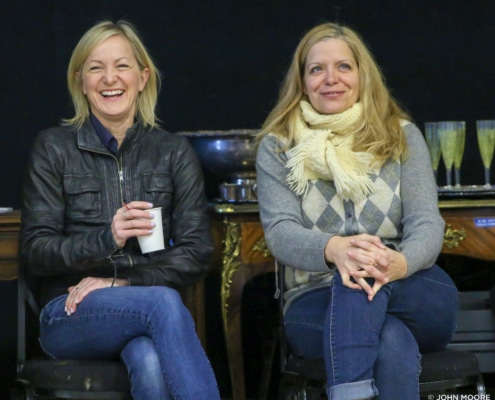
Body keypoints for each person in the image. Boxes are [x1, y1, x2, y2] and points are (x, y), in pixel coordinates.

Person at [255, 22, 458, 400]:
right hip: (315, 303)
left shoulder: (400, 135)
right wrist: (336, 250)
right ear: (301, 81)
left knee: (362, 270)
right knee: (388, 335)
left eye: (344, 67)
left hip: (412, 287)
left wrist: (399, 262)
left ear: (363, 75)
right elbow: (281, 233)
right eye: (317, 69)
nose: (331, 79)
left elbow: (427, 223)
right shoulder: (279, 148)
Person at [19, 20, 220, 400]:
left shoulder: (173, 152)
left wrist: (123, 283)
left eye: (122, 66)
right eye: (96, 68)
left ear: (143, 77)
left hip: (144, 305)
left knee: (148, 359)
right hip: (70, 312)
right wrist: (106, 238)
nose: (110, 78)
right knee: (163, 302)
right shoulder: (53, 148)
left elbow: (196, 253)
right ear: (80, 80)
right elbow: (36, 251)